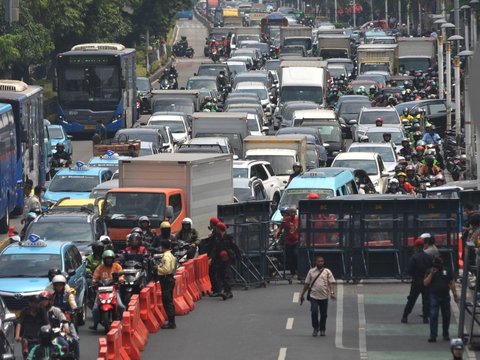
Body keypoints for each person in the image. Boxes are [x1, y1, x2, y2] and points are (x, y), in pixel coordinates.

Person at [424, 256, 459, 342]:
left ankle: (445, 334)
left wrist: (455, 295)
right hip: (434, 296)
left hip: (445, 296)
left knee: (446, 316)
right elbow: (425, 283)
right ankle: (433, 335)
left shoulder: (446, 271)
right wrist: (431, 273)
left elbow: (451, 283)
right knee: (433, 315)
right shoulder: (430, 271)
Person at [299, 256, 336, 337]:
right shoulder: (311, 271)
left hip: (324, 296)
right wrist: (302, 294)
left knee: (324, 314)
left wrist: (332, 293)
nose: (320, 263)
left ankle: (322, 329)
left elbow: (331, 283)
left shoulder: (327, 271)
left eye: (322, 261)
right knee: (314, 311)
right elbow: (307, 284)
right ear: (316, 262)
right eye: (319, 261)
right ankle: (316, 328)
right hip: (313, 296)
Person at [89, 250, 125, 331]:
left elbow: (121, 275)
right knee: (95, 309)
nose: (109, 260)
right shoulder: (100, 267)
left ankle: (123, 322)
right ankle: (95, 324)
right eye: (107, 259)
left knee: (121, 306)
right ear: (104, 259)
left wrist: (120, 279)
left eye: (110, 259)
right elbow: (95, 277)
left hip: (114, 289)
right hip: (101, 290)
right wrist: (95, 282)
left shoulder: (117, 266)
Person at [401, 238, 433, 324]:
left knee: (411, 299)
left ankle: (405, 316)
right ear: (423, 246)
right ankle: (425, 318)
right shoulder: (428, 257)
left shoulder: (414, 257)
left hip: (416, 281)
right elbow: (432, 269)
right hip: (426, 281)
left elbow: (410, 270)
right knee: (426, 300)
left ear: (416, 247)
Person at [210, 222, 238, 300]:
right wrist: (211, 258)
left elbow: (234, 247)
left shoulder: (228, 238)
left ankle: (227, 291)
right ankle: (222, 290)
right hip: (219, 259)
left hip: (227, 259)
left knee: (226, 274)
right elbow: (215, 249)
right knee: (220, 274)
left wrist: (237, 256)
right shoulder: (217, 238)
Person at [157, 239, 177, 329]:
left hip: (166, 279)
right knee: (169, 300)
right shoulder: (171, 255)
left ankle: (171, 322)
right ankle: (171, 321)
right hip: (170, 279)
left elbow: (166, 269)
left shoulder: (165, 256)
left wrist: (157, 268)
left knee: (167, 301)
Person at [275, 207, 299, 279]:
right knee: (290, 258)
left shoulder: (298, 220)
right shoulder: (285, 220)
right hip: (288, 242)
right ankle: (293, 272)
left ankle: (298, 270)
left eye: (294, 212)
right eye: (292, 212)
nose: (293, 214)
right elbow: (280, 228)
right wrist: (277, 233)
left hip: (296, 241)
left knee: (296, 254)